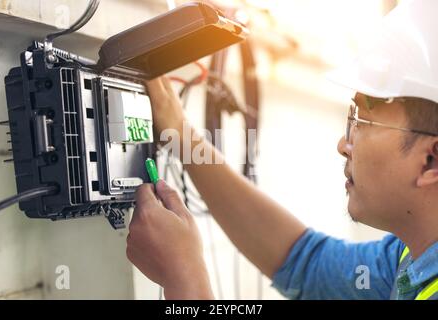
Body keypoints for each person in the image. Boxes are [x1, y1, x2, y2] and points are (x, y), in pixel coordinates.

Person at [126, 0, 438, 300]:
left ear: (430, 161)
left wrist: (184, 278)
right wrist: (181, 133)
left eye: (361, 120)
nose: (343, 146)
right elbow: (306, 265)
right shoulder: (408, 259)